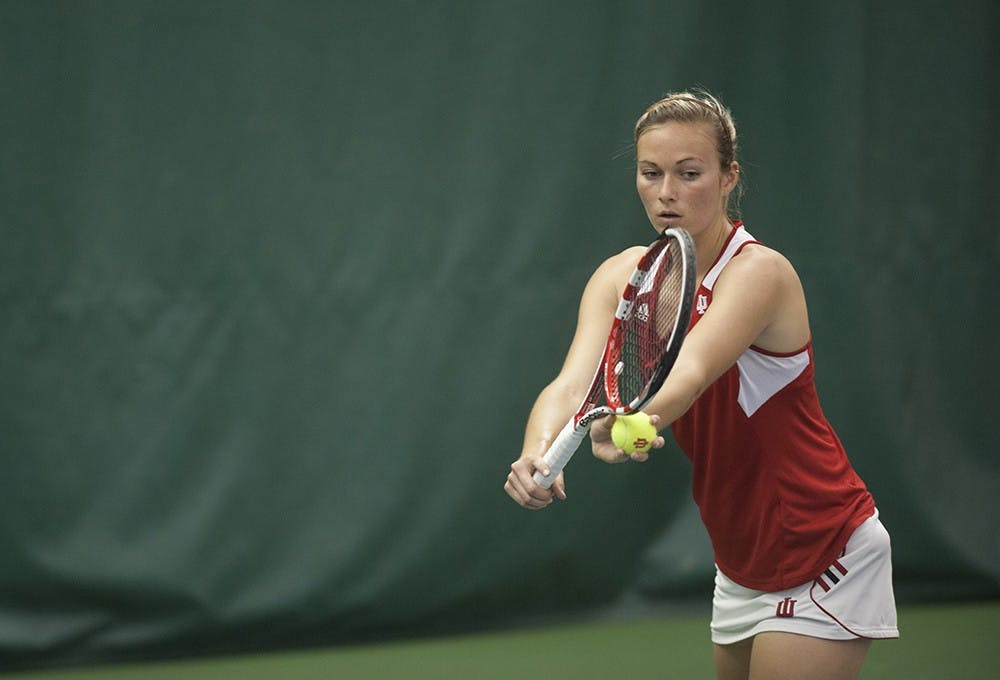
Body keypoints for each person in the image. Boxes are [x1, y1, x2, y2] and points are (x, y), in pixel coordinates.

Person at [504, 90, 898, 680]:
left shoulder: (759, 273)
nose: (667, 192)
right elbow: (569, 385)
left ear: (728, 177)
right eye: (650, 173)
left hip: (822, 546)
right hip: (741, 558)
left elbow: (686, 372)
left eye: (690, 174)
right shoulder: (621, 277)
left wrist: (633, 421)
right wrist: (538, 452)